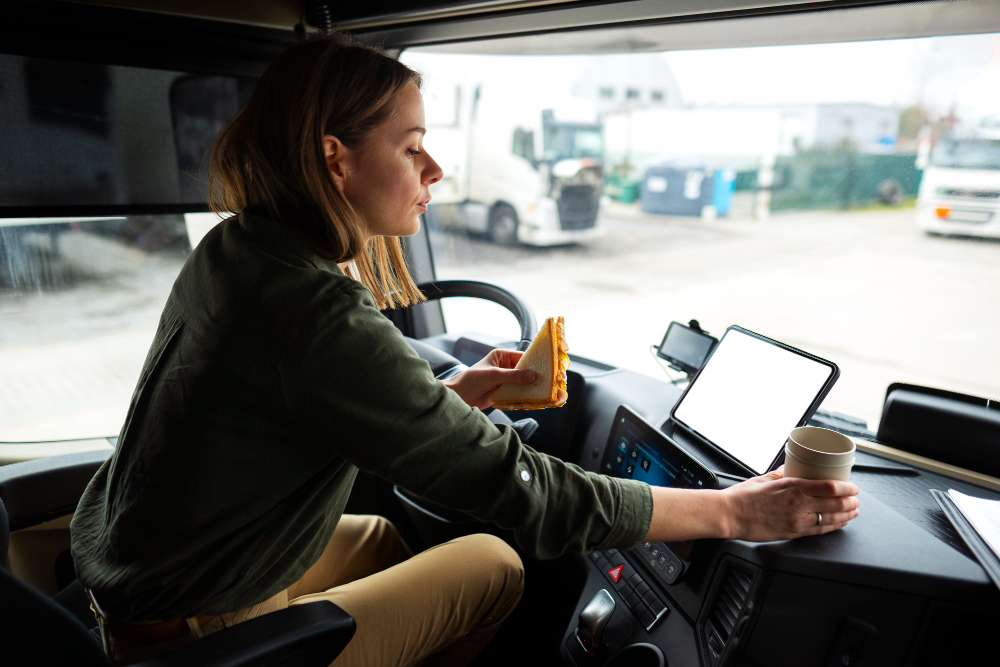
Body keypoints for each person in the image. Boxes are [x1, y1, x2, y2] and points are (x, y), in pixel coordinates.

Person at [70, 36, 860, 667]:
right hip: (198, 626)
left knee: (382, 538)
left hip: (150, 574)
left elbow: (305, 399)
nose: (435, 170)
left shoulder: (243, 250)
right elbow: (534, 497)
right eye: (411, 146)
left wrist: (465, 393)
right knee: (496, 566)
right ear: (334, 156)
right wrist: (731, 509)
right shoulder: (314, 311)